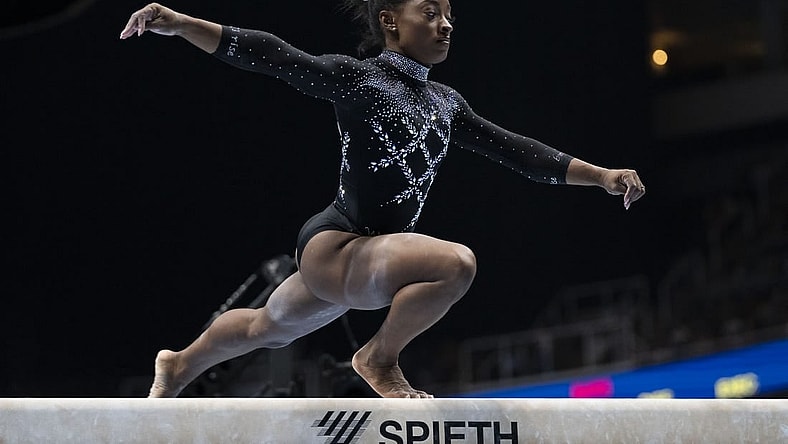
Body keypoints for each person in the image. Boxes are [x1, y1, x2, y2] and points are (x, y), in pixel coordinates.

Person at [120, 0, 646, 399]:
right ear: (391, 21)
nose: (446, 24)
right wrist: (185, 24)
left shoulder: (447, 103)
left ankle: (179, 363)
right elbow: (275, 56)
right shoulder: (359, 79)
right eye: (431, 12)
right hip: (339, 243)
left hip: (372, 257)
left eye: (450, 15)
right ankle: (378, 357)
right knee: (454, 264)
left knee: (268, 328)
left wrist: (601, 176)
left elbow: (518, 151)